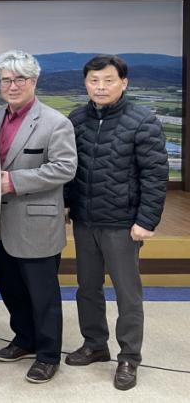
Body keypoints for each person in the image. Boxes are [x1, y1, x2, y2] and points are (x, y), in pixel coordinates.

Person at [64, 55, 168, 391]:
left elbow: (155, 175)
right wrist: (65, 204)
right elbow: (68, 168)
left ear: (124, 82)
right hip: (85, 220)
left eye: (108, 80)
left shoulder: (142, 120)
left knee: (127, 293)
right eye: (94, 81)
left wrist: (146, 220)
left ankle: (129, 357)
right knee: (87, 288)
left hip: (123, 223)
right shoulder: (76, 119)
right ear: (85, 84)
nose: (101, 87)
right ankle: (95, 344)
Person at [0, 50, 76, 383]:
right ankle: (24, 339)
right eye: (5, 80)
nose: (12, 86)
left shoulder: (55, 121)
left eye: (19, 79)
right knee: (11, 288)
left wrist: (15, 181)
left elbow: (65, 168)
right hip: (1, 221)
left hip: (37, 222)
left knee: (43, 295)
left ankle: (48, 355)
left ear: (34, 81)